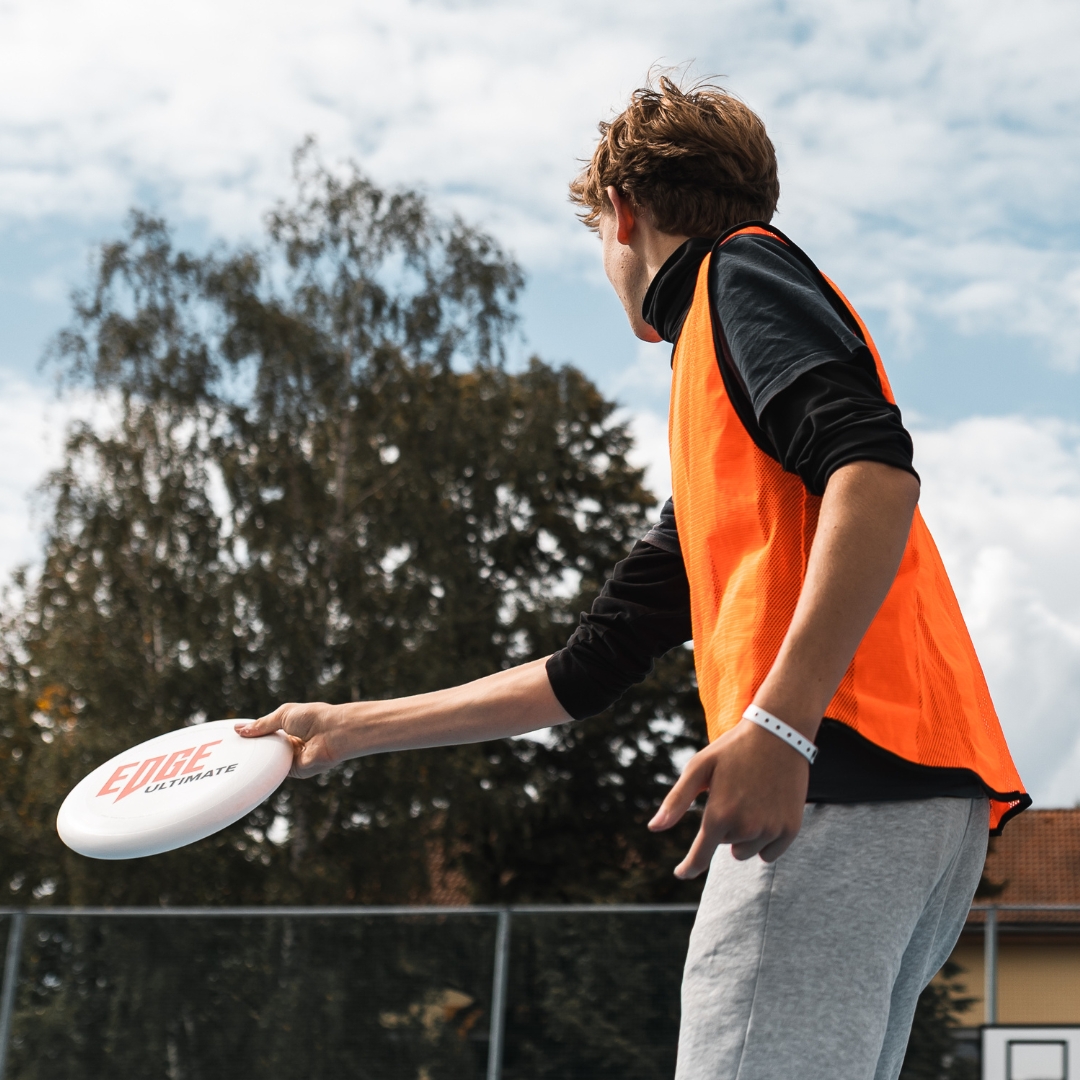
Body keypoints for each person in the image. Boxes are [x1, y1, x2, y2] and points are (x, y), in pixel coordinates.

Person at [237, 77, 1029, 1080]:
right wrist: (351, 728)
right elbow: (587, 667)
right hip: (918, 795)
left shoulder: (737, 277)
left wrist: (781, 727)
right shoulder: (723, 420)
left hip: (841, 776)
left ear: (624, 215)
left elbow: (874, 472)